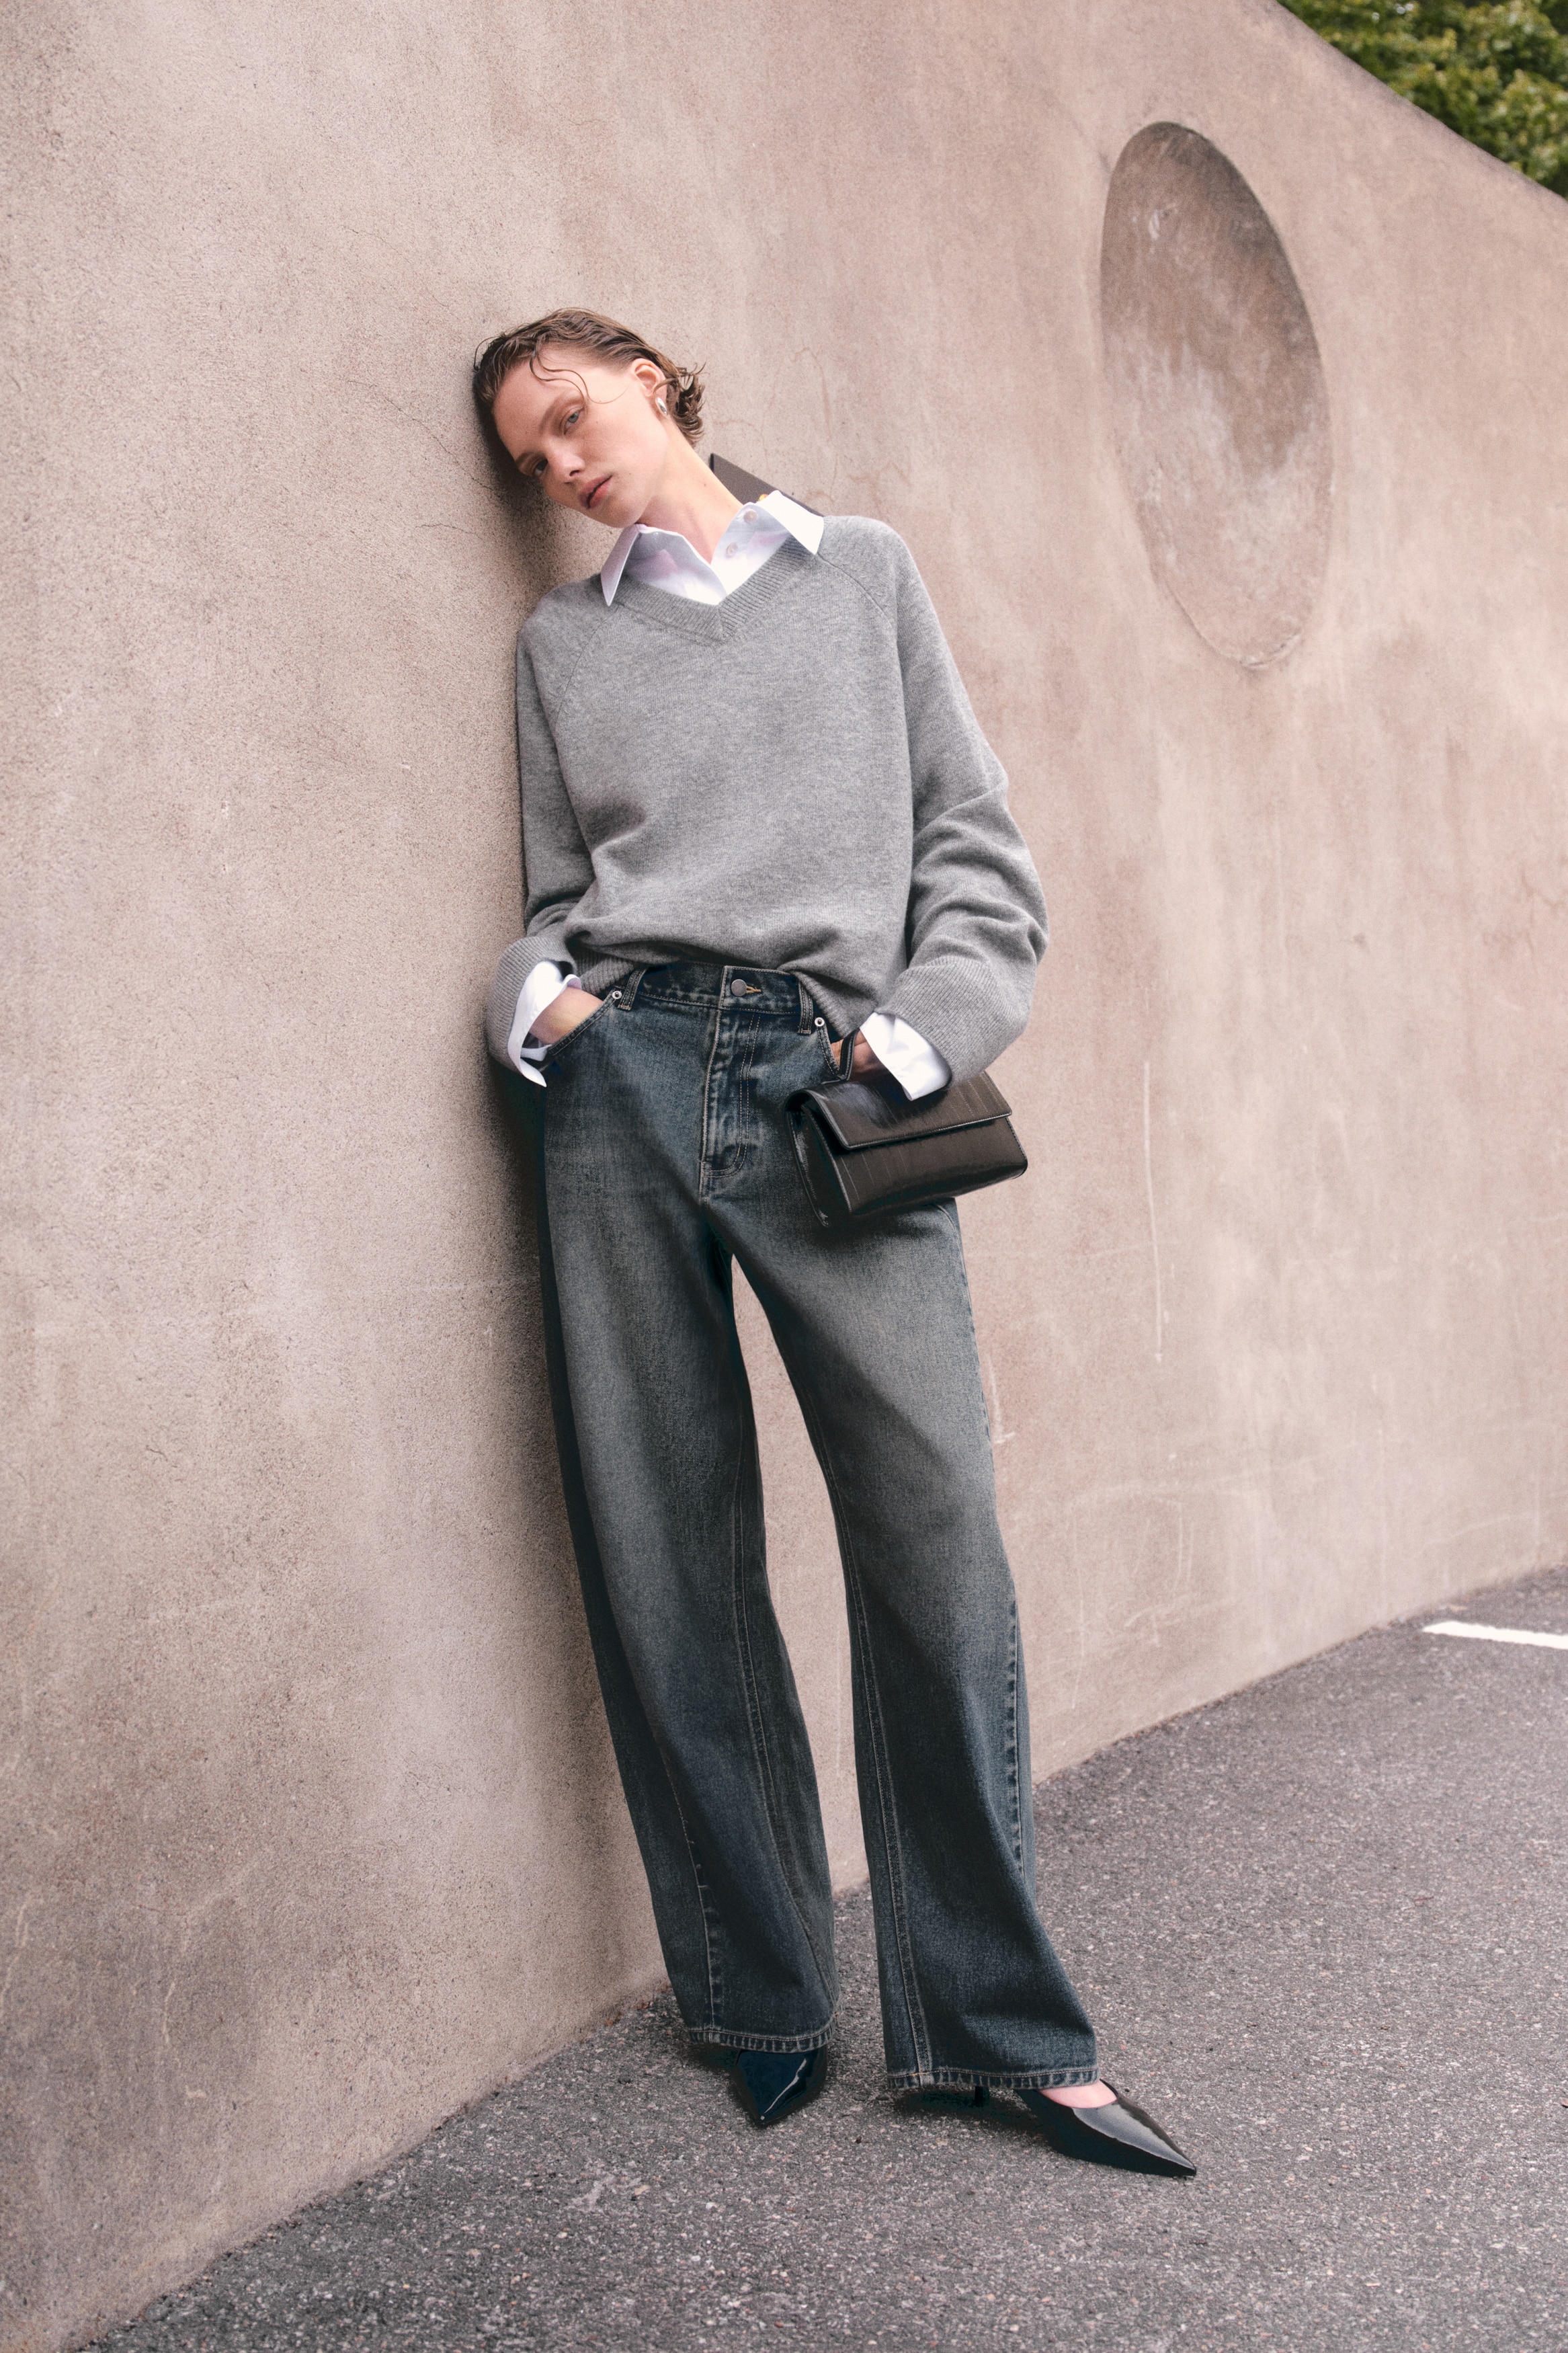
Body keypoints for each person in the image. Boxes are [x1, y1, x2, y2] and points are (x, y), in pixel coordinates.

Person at [473, 307, 1192, 2176]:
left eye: (572, 418)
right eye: (532, 460)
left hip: (836, 1087)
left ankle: (999, 2032)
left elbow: (977, 855)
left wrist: (920, 1034)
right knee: (667, 1548)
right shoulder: (561, 644)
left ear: (651, 379)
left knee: (935, 1543)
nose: (562, 467)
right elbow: (554, 898)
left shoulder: (859, 573)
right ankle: (761, 1998)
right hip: (622, 1085)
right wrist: (540, 1005)